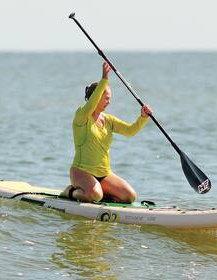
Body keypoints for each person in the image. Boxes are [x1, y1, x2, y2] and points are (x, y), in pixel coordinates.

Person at [60, 61, 153, 203]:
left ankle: (101, 192)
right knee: (95, 195)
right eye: (107, 98)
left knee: (130, 196)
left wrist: (143, 117)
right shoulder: (81, 116)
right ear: (96, 98)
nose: (109, 102)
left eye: (110, 98)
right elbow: (91, 104)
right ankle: (70, 192)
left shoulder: (108, 120)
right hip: (81, 172)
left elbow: (130, 131)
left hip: (104, 174)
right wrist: (105, 79)